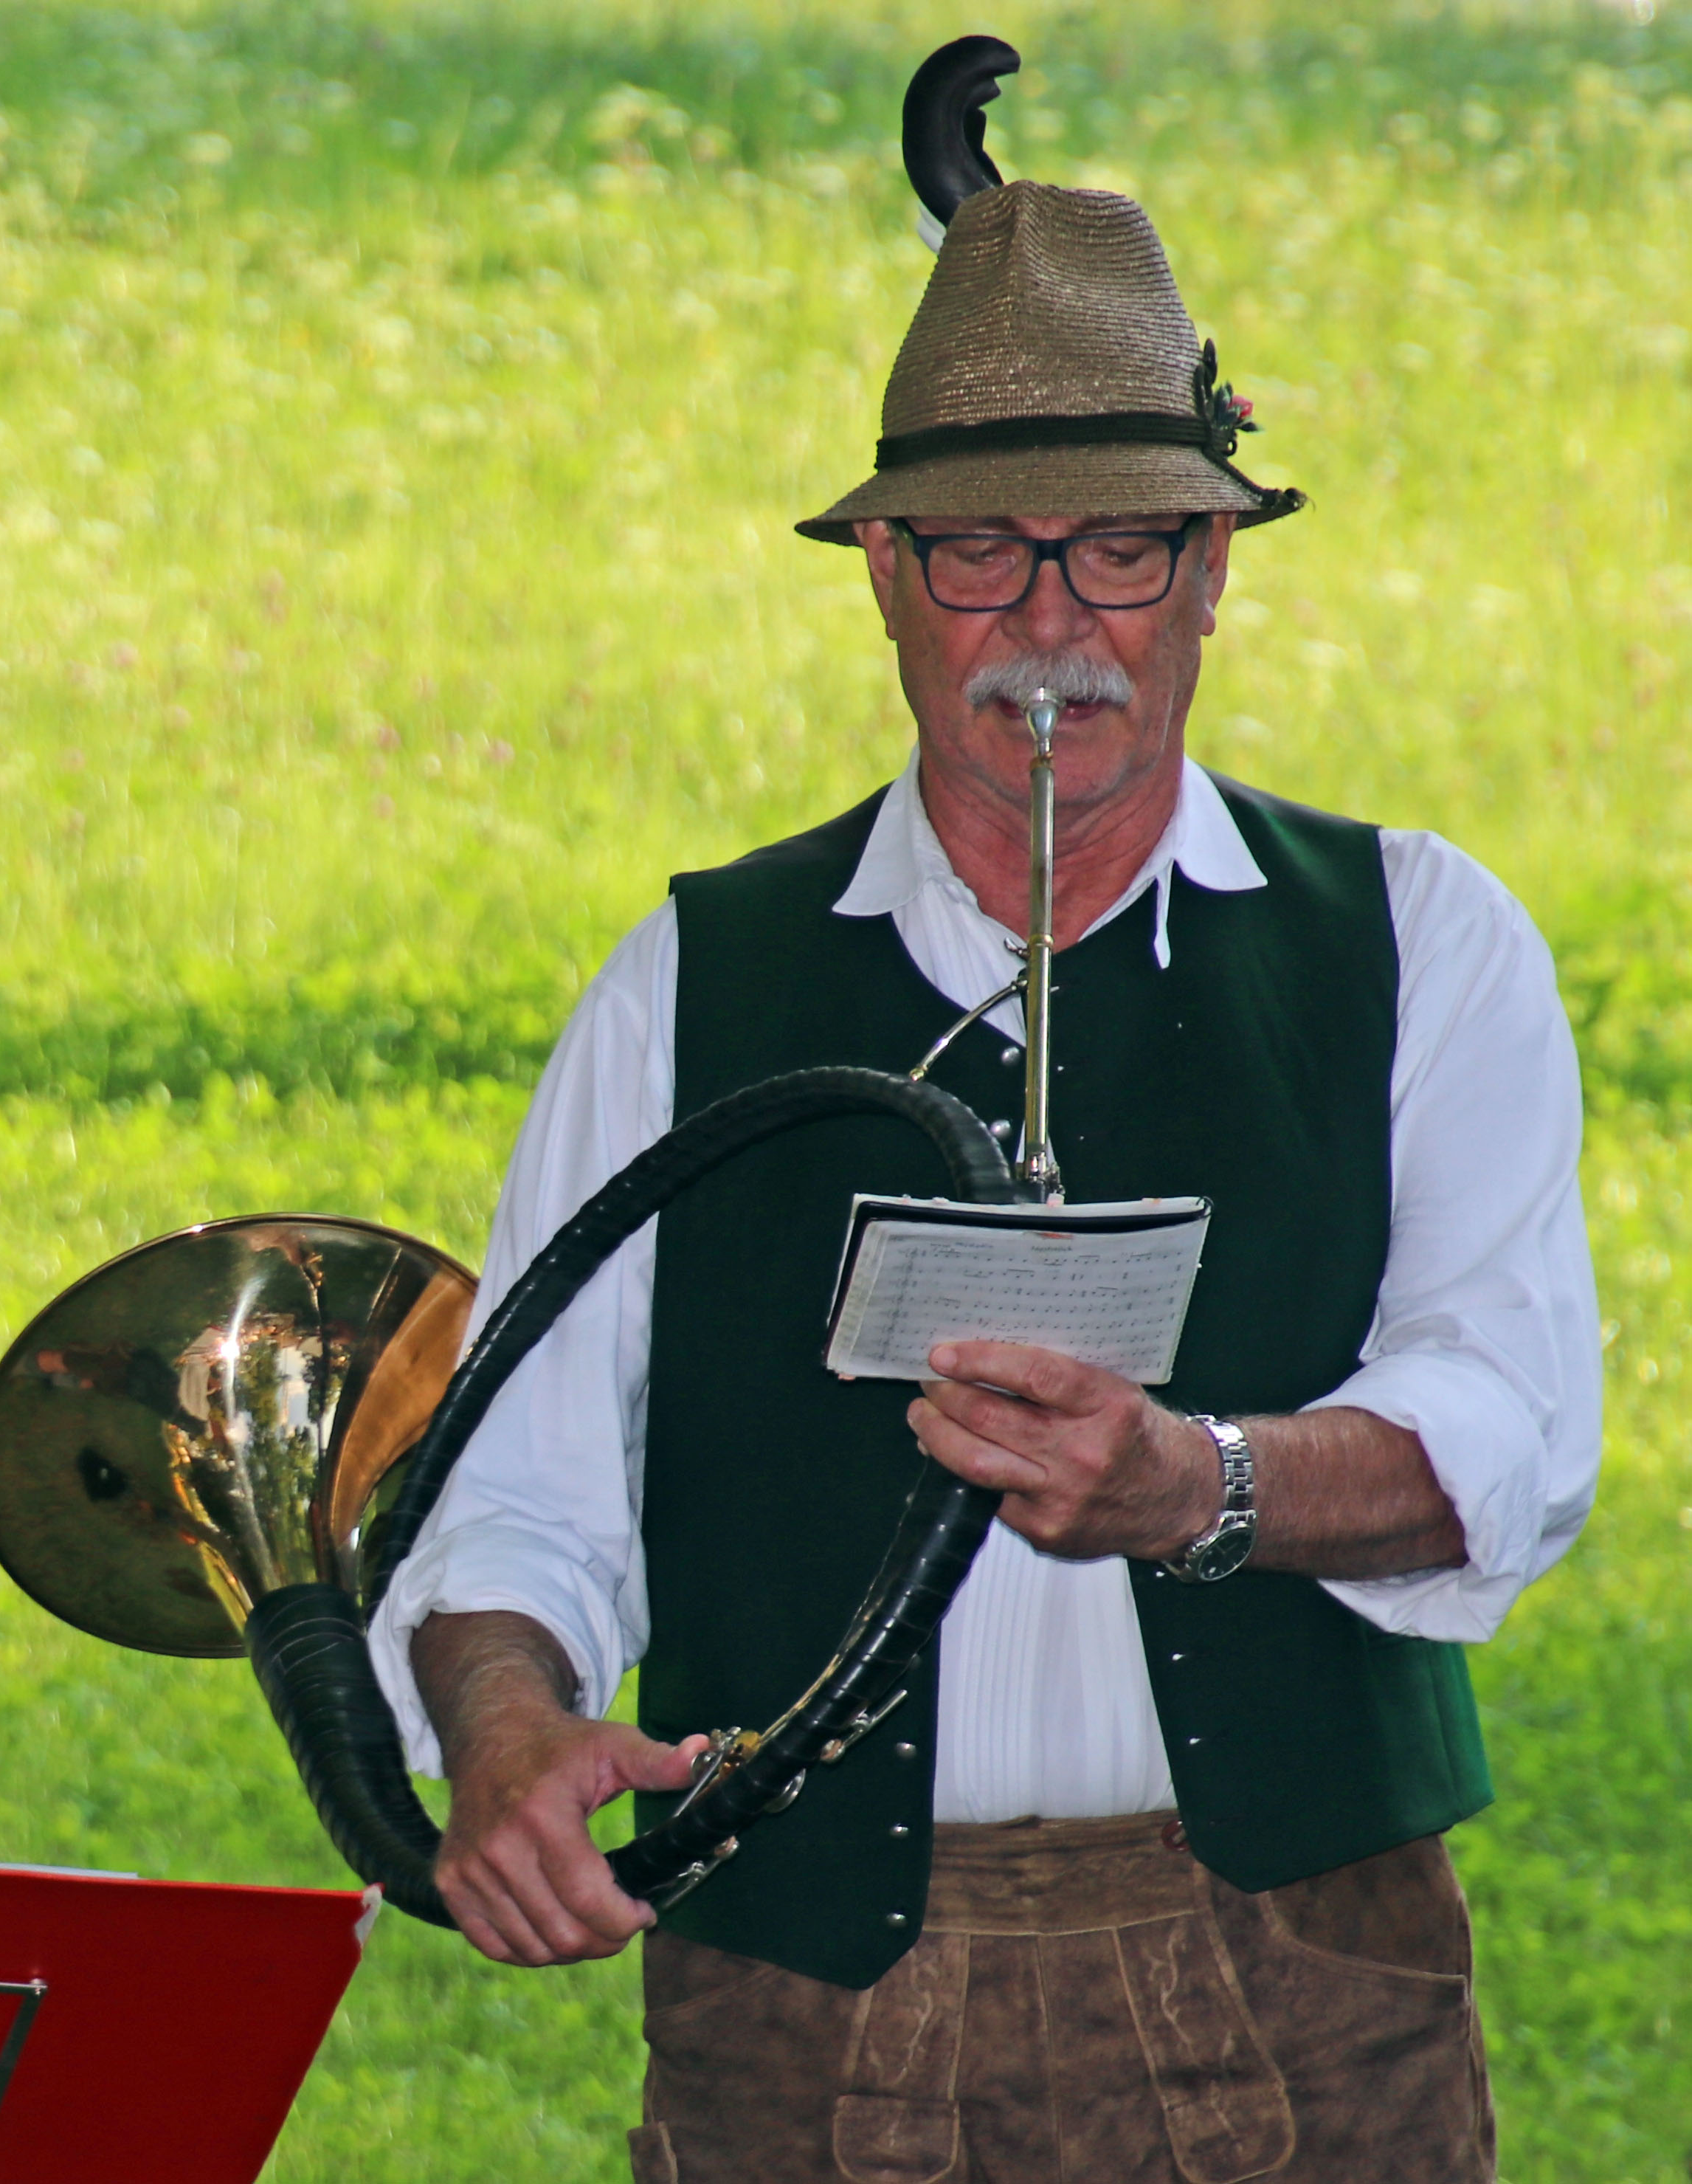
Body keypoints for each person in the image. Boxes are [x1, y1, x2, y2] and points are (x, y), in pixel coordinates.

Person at [365, 166, 1601, 2182]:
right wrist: (502, 1727)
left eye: (1115, 548)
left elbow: (1507, 1425)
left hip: (1299, 1975)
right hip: (796, 2007)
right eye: (972, 552)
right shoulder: (693, 977)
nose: (1046, 624)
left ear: (1211, 566)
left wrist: (1194, 1485)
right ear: (875, 566)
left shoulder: (1413, 935)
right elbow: (510, 1491)